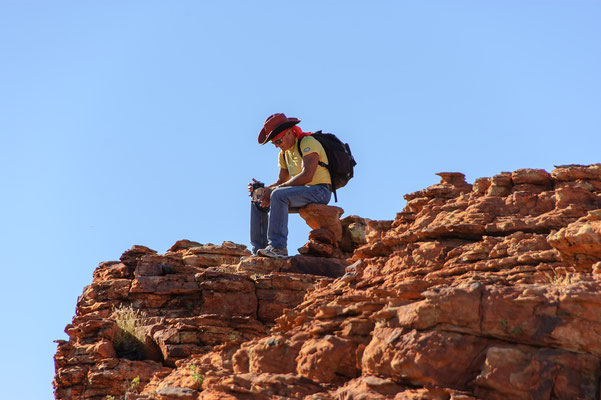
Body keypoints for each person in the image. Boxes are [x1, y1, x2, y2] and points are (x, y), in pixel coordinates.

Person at [249, 113, 332, 258]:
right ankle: (259, 250)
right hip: (299, 193)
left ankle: (278, 247)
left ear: (289, 132)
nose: (276, 146)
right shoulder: (284, 153)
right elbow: (281, 181)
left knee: (278, 195)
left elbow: (307, 176)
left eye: (278, 141)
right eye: (273, 143)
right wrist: (264, 190)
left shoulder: (307, 142)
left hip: (320, 191)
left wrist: (274, 190)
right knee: (258, 198)